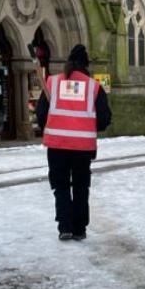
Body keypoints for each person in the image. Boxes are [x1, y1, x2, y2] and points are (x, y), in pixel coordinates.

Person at [36, 44, 112, 241]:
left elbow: (41, 112)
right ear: (86, 65)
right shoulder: (94, 87)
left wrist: (51, 124)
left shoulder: (52, 83)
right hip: (82, 148)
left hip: (57, 145)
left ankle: (65, 227)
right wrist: (89, 126)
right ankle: (79, 229)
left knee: (60, 186)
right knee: (80, 186)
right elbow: (104, 118)